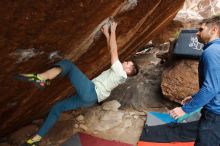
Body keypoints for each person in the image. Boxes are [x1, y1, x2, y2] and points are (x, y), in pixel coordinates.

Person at [17, 21, 139, 146]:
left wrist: (113, 30)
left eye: (128, 63)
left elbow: (114, 51)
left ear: (129, 70)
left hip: (91, 91)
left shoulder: (121, 72)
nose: (125, 62)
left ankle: (41, 78)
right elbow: (110, 51)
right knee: (57, 108)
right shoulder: (120, 75)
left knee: (68, 65)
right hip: (90, 99)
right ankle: (35, 139)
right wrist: (107, 35)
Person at [169, 15, 220, 146]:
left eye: (201, 29)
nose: (197, 33)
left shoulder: (212, 52)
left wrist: (185, 109)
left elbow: (211, 88)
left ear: (214, 29)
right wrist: (194, 97)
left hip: (215, 115)